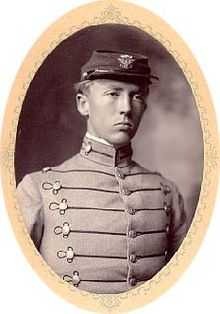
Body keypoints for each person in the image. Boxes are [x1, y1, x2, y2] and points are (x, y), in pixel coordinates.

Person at [17, 50, 187, 294]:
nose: (126, 108)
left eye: (136, 96)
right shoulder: (37, 190)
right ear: (83, 103)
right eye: (113, 94)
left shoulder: (166, 194)